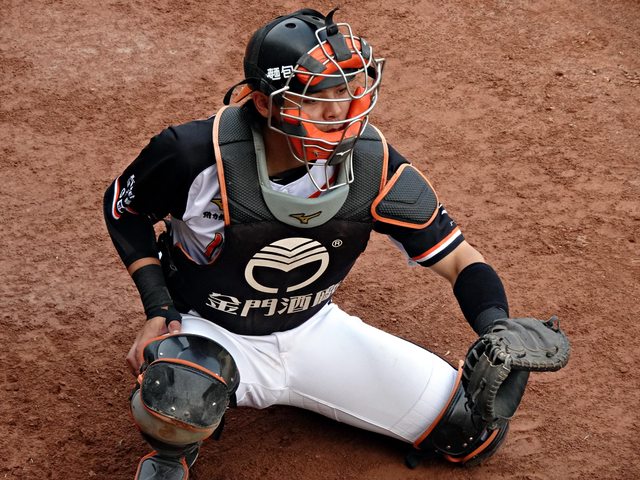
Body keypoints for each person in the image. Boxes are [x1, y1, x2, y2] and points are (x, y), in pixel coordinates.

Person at [103, 8, 567, 480]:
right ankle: (170, 457)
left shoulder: (373, 166)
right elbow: (125, 209)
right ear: (264, 103)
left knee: (469, 430)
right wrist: (158, 309)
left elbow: (460, 259)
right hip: (210, 330)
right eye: (317, 98)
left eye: (347, 92)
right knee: (177, 393)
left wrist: (496, 327)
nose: (339, 112)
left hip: (312, 329)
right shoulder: (193, 155)